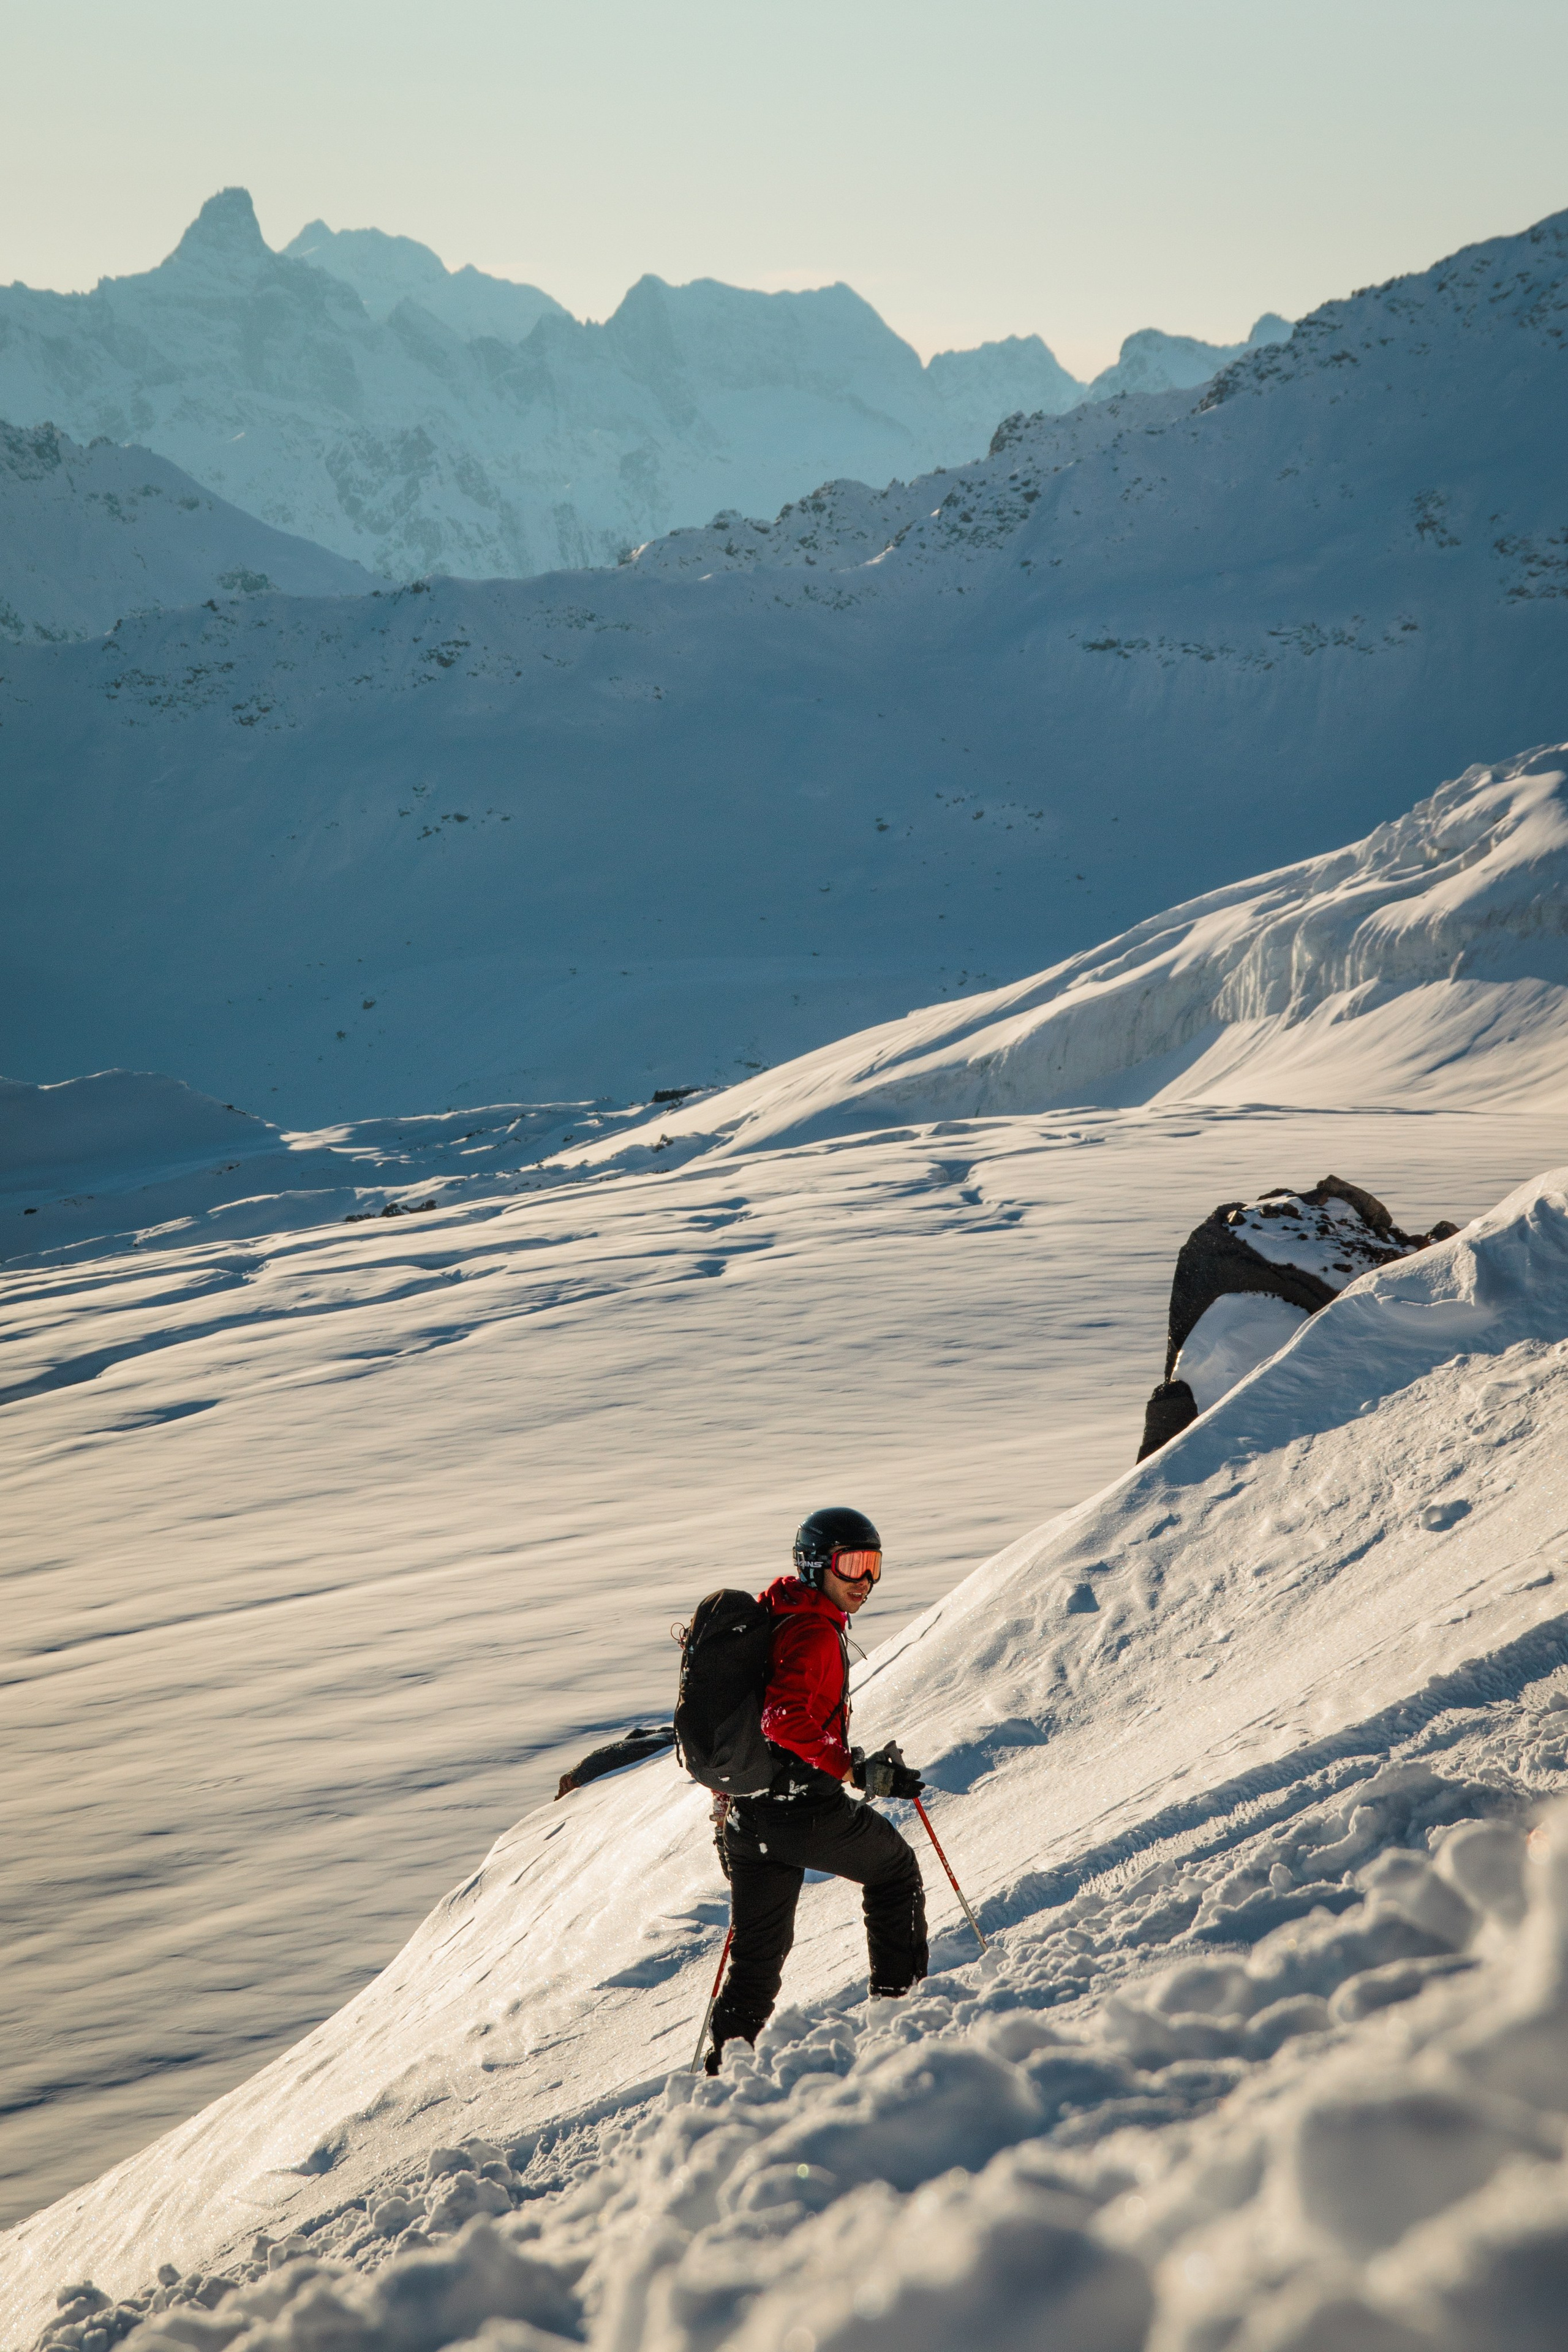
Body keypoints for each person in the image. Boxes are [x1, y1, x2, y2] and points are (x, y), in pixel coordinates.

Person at [705, 1506, 929, 2074]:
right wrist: (851, 1770)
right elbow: (781, 1718)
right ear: (814, 1565)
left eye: (874, 1564)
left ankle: (721, 2078)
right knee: (896, 1873)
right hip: (804, 1812)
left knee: (756, 1960)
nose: (865, 1580)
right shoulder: (813, 1633)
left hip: (748, 1819)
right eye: (851, 1564)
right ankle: (901, 2020)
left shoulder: (776, 1614)